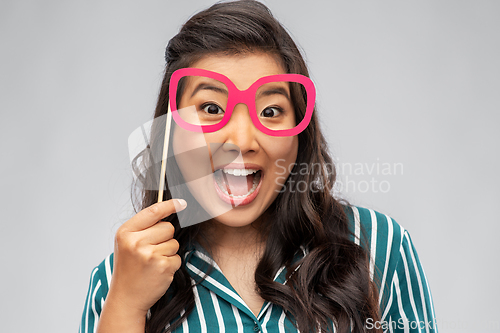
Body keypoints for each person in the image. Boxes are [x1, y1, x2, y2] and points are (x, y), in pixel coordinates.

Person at [79, 1, 437, 332]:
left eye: (270, 112)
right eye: (211, 109)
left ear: (301, 133)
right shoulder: (118, 281)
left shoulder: (378, 246)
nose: (241, 140)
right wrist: (126, 305)